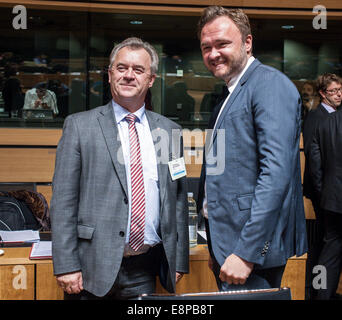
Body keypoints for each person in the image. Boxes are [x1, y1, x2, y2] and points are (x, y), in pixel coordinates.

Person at [50, 37, 189, 300]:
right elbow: (64, 201)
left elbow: (178, 198)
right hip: (90, 267)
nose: (129, 75)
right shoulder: (79, 126)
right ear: (110, 74)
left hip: (144, 269)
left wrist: (179, 259)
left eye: (138, 70)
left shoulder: (170, 132)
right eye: (122, 68)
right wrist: (66, 265)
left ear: (150, 79)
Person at [197, 6, 307, 291]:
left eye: (222, 44)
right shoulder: (230, 93)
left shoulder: (269, 85)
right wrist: (216, 244)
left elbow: (276, 176)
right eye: (206, 47)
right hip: (227, 244)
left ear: (247, 43)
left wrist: (247, 252)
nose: (213, 53)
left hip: (250, 253)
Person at [302, 73, 341, 299]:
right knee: (325, 248)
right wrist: (321, 193)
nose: (338, 95)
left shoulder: (333, 117)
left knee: (329, 248)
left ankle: (322, 290)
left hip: (328, 195)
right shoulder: (317, 118)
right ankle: (318, 290)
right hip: (324, 195)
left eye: (340, 90)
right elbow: (313, 159)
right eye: (333, 91)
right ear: (322, 93)